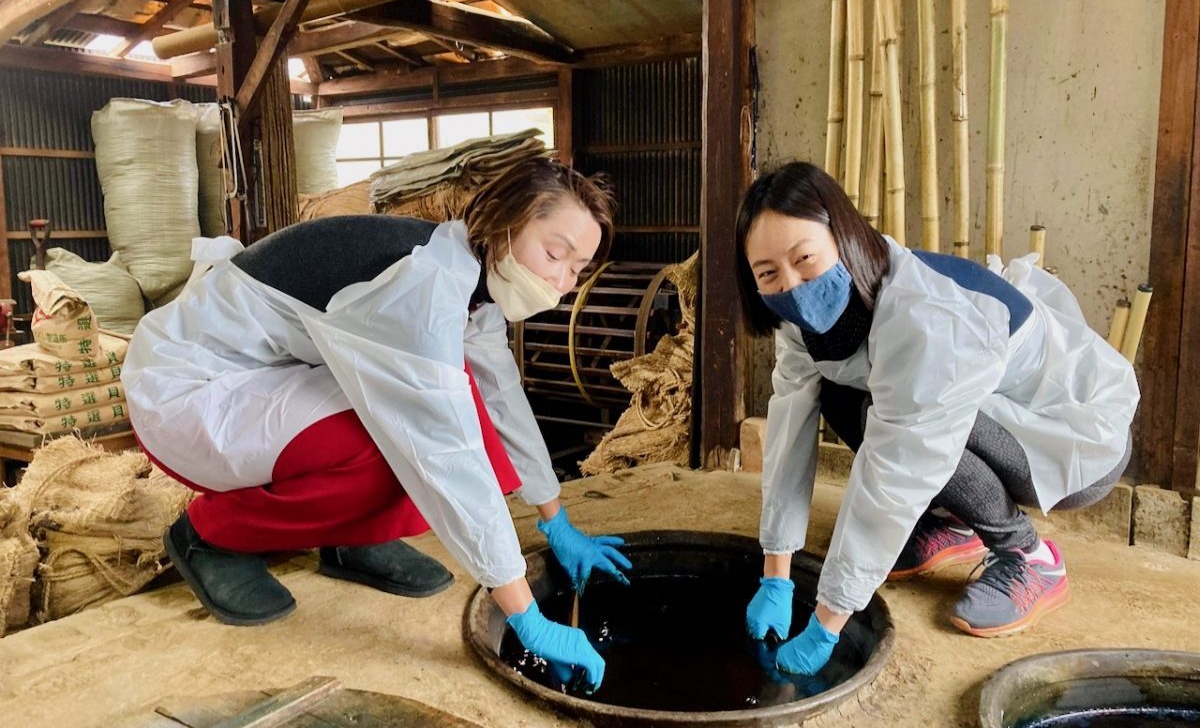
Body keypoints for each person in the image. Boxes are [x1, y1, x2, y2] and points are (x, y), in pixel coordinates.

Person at [124, 157, 631, 693]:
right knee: (407, 442)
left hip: (273, 378)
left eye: (577, 268)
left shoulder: (470, 278)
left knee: (463, 410)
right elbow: (445, 454)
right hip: (191, 390)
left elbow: (501, 399)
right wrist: (527, 618)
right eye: (554, 253)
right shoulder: (422, 290)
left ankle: (349, 540)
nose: (560, 280)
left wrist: (557, 521)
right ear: (505, 222)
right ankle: (210, 536)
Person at [736, 162, 1138, 676]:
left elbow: (901, 467)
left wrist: (827, 621)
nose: (792, 284)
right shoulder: (801, 313)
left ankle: (1030, 558)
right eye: (769, 272)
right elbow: (791, 424)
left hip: (1074, 440)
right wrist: (776, 572)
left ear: (843, 236)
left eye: (805, 258)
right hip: (993, 419)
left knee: (917, 422)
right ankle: (950, 524)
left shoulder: (925, 316)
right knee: (839, 394)